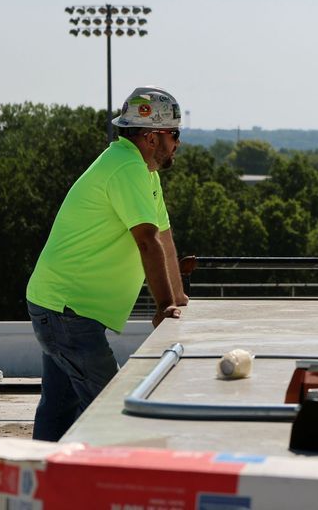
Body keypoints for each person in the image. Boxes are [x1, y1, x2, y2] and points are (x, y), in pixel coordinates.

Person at [26, 86, 188, 441]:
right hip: (68, 313)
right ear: (152, 137)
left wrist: (180, 301)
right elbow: (146, 240)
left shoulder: (144, 172)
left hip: (61, 307)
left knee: (59, 408)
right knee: (112, 412)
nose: (178, 142)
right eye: (174, 134)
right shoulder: (126, 167)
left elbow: (164, 239)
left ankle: (46, 485)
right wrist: (164, 307)